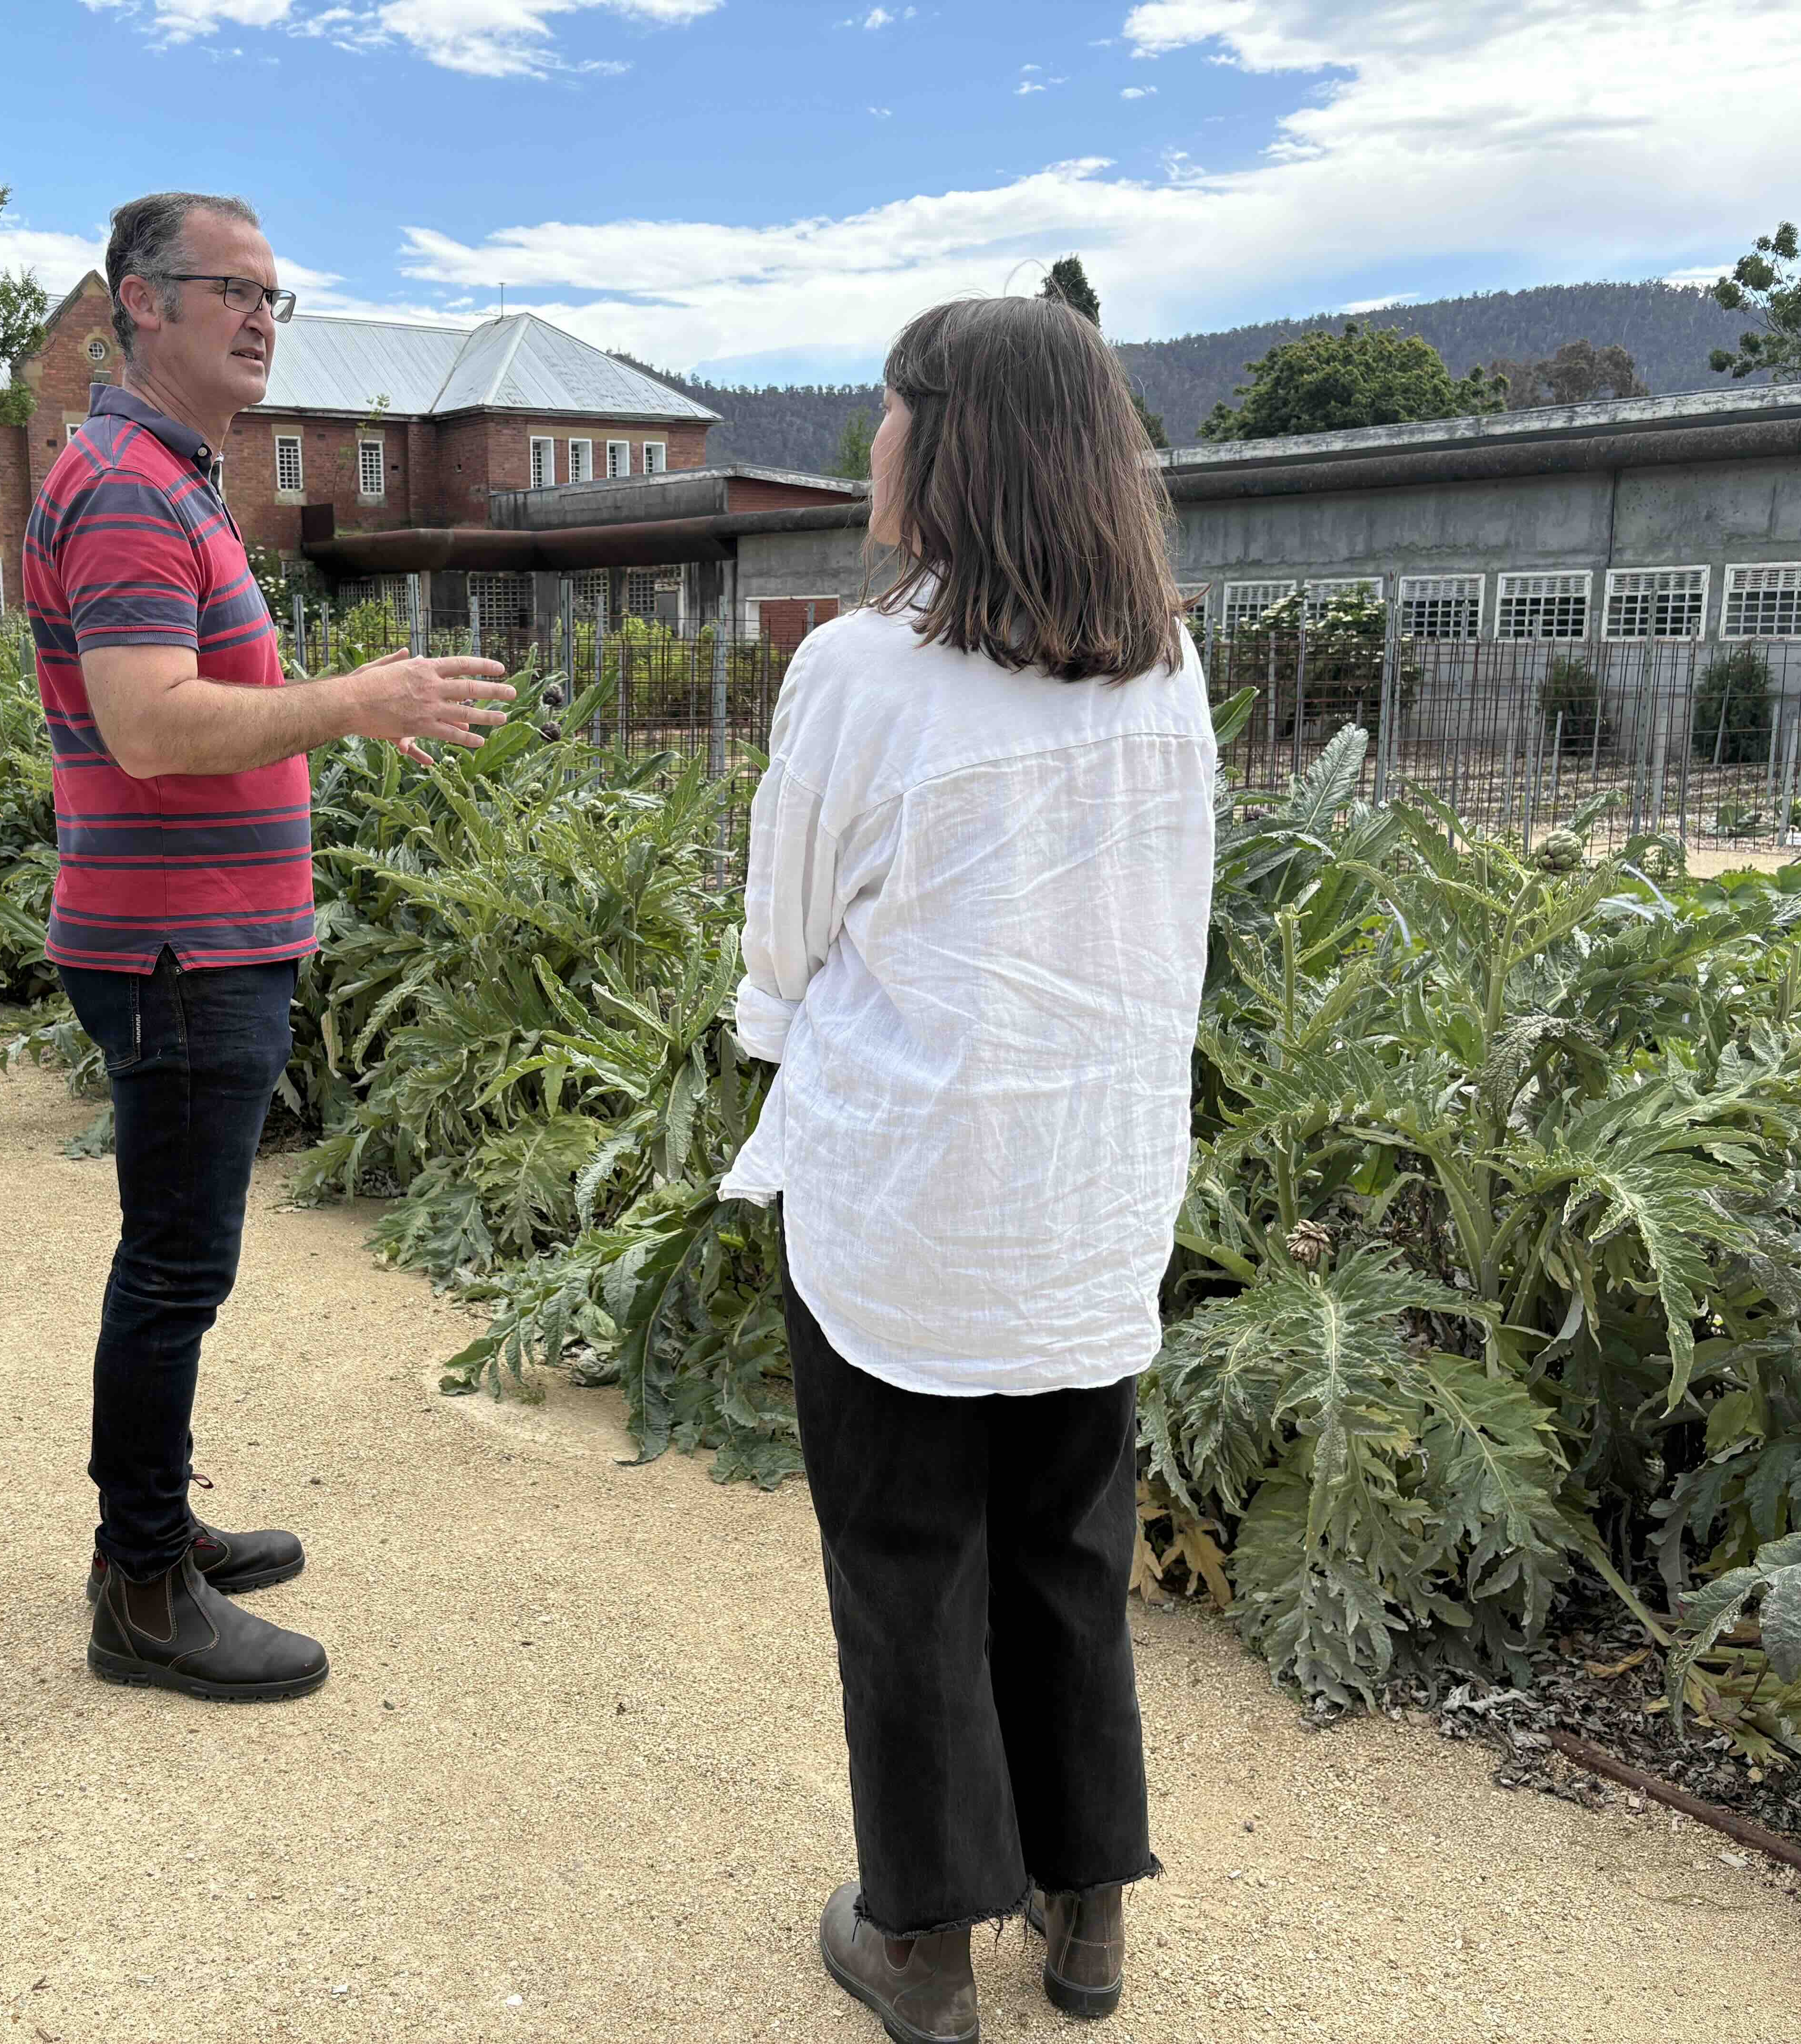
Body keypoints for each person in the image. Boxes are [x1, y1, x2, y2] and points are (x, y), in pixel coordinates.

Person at [719, 295, 1215, 2040]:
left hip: (912, 1196)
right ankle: (1087, 1919)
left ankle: (923, 1943)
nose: (870, 444)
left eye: (887, 411)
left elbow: (785, 942)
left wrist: (785, 1034)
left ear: (950, 441)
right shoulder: (1167, 666)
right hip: (1091, 1192)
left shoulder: (857, 671)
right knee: (1070, 1543)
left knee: (909, 1551)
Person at [21, 191, 514, 1700]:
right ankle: (145, 1591)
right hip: (178, 950)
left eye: (272, 295)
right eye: (227, 289)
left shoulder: (168, 475)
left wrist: (331, 711)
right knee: (176, 1262)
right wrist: (351, 701)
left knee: (179, 1255)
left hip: (204, 937)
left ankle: (153, 1533)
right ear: (138, 303)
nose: (258, 316)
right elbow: (151, 723)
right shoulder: (120, 485)